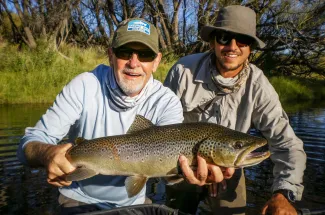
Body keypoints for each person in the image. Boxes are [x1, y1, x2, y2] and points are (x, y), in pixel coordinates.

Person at [16, 18, 230, 214]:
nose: (134, 63)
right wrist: (46, 154)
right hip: (77, 199)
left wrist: (187, 173)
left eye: (144, 55)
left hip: (133, 203)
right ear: (111, 55)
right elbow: (28, 144)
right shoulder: (84, 85)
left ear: (156, 61)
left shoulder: (166, 101)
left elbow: (171, 163)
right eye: (125, 52)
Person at [164, 5, 306, 215]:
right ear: (213, 41)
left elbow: (286, 144)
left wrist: (284, 193)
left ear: (250, 47)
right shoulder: (182, 71)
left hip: (230, 167)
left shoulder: (259, 87)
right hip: (180, 165)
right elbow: (160, 129)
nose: (232, 46)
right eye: (224, 37)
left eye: (242, 40)